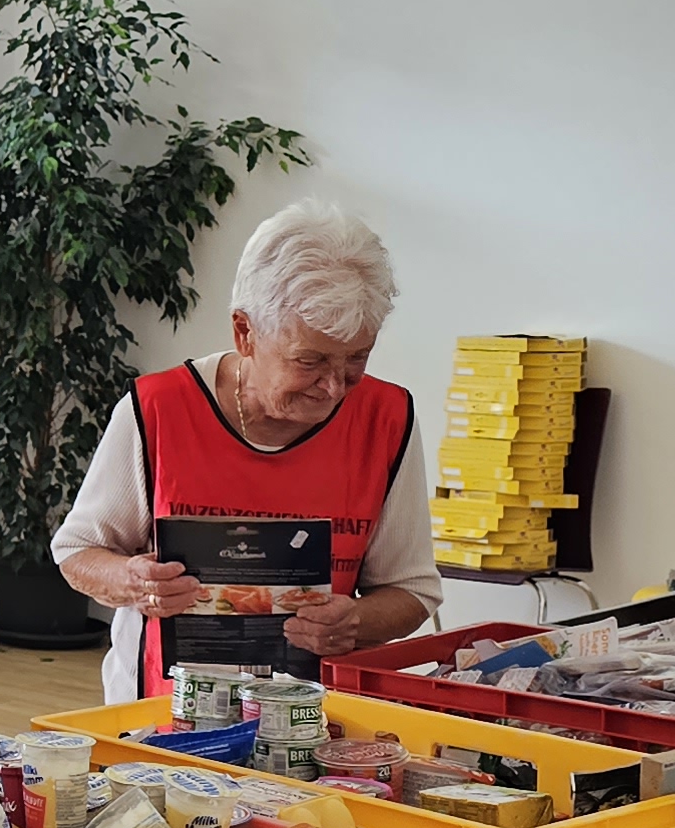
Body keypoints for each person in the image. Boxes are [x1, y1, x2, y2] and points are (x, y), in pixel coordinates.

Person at [47, 198, 439, 705]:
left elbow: (411, 590)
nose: (333, 386)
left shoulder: (387, 419)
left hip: (316, 720)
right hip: (160, 712)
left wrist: (357, 622)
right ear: (245, 332)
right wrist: (133, 581)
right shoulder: (158, 409)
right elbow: (77, 553)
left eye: (356, 359)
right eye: (310, 361)